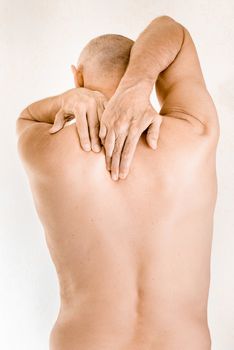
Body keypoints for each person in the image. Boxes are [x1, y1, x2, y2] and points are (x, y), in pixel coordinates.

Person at [16, 16, 219, 350]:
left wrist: (65, 100)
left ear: (77, 77)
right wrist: (138, 83)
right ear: (154, 73)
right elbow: (173, 31)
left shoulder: (45, 149)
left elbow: (25, 116)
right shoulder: (194, 133)